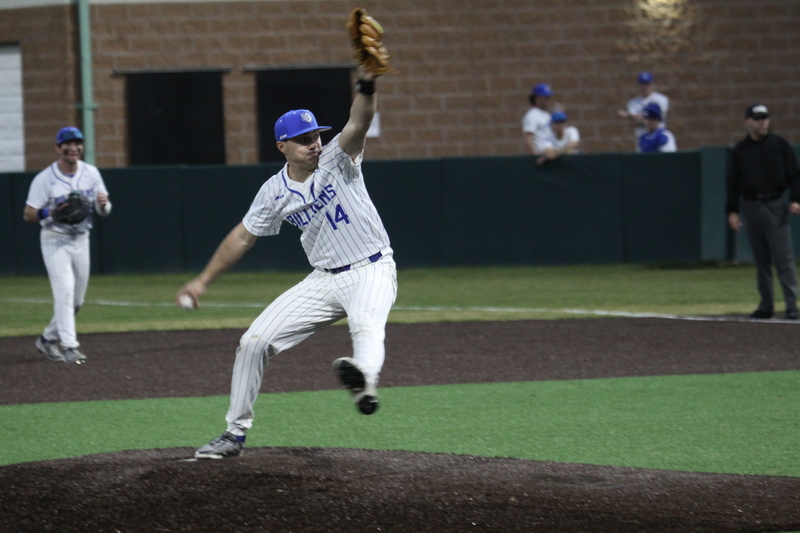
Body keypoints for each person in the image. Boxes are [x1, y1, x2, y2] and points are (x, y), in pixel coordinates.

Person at [178, 66, 398, 459]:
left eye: (316, 136)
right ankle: (234, 434)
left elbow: (359, 120)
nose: (314, 144)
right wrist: (203, 281)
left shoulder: (338, 158)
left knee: (366, 326)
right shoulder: (273, 191)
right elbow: (243, 237)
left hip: (372, 268)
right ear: (282, 146)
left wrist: (366, 84)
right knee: (253, 343)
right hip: (323, 280)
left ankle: (364, 380)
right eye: (303, 139)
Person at [23, 127, 112, 363]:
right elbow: (28, 214)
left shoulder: (91, 173)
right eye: (67, 144)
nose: (73, 148)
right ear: (58, 148)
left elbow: (103, 210)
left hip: (81, 239)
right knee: (64, 291)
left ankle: (46, 339)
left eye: (77, 143)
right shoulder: (45, 178)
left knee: (76, 302)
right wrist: (49, 211)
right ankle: (70, 347)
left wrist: (104, 204)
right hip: (55, 239)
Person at [726, 103, 800, 320]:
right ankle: (766, 305)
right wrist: (732, 211)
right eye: (757, 119)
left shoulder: (779, 145)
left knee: (783, 258)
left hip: (775, 204)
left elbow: (795, 175)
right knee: (761, 260)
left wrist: (796, 199)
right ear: (747, 122)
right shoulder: (740, 150)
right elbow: (732, 183)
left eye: (764, 118)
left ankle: (791, 305)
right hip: (751, 206)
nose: (762, 123)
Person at [617, 71, 669, 151]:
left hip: (659, 137)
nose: (645, 87)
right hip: (641, 138)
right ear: (638, 85)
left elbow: (656, 116)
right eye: (642, 84)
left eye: (647, 83)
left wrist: (628, 115)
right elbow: (635, 122)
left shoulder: (661, 99)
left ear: (653, 84)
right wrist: (637, 118)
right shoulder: (633, 103)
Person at [522, 83, 553, 155]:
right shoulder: (532, 115)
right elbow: (528, 139)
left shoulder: (547, 115)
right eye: (545, 97)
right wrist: (536, 157)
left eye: (549, 97)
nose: (548, 100)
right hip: (541, 156)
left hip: (550, 155)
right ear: (537, 98)